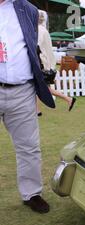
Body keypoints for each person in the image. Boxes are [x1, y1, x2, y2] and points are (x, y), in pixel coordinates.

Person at [0, 0, 56, 213]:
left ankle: (32, 193)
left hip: (22, 90)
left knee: (29, 147)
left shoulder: (28, 9)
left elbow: (33, 46)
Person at [37, 10, 76, 116]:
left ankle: (68, 99)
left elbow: (37, 46)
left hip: (41, 63)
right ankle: (37, 110)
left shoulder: (39, 30)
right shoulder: (43, 30)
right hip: (44, 63)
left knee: (43, 87)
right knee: (37, 87)